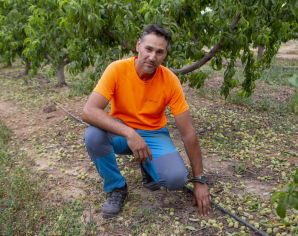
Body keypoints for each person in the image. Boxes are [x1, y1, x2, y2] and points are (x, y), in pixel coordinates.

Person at [82, 24, 210, 218]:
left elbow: (188, 132)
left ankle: (147, 165)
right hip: (122, 133)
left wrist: (199, 180)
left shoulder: (170, 80)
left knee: (176, 179)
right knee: (93, 135)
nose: (152, 57)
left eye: (159, 52)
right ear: (138, 46)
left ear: (165, 55)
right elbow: (89, 111)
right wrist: (129, 133)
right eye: (148, 49)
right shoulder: (117, 69)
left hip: (154, 134)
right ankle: (116, 187)